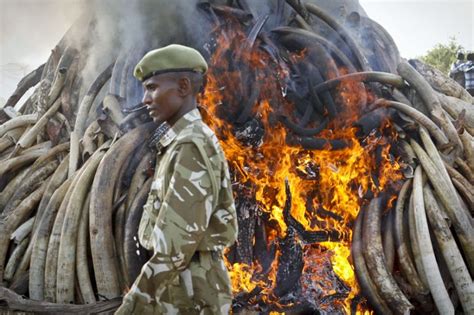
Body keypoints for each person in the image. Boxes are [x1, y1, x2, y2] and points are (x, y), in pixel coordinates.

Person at [115, 44, 238, 314]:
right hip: (180, 286)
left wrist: (132, 307)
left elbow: (173, 250)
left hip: (188, 292)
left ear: (183, 87)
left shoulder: (190, 145)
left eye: (152, 87)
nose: (145, 99)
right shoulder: (180, 141)